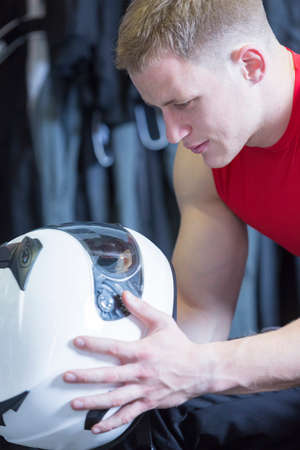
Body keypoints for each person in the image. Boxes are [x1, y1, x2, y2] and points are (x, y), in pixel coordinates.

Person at [62, 0, 300, 448]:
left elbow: (199, 364)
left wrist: (199, 369)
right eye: (159, 110)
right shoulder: (203, 161)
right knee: (157, 419)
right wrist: (142, 378)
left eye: (184, 103)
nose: (172, 134)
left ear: (250, 65)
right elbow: (200, 312)